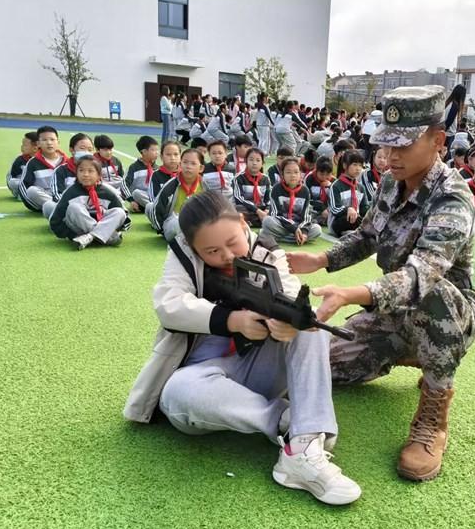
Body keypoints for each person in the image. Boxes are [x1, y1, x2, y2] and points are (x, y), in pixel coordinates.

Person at [286, 86, 475, 482]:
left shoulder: (453, 198)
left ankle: (433, 411)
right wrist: (322, 260)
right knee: (319, 367)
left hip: (446, 317)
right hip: (392, 312)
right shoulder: (393, 182)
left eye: (403, 146)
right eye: (386, 145)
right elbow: (367, 236)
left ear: (438, 140)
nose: (390, 156)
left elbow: (421, 275)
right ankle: (408, 350)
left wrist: (349, 295)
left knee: (434, 292)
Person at [124, 191, 361, 505]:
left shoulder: (268, 251)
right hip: (203, 380)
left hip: (258, 368)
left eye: (232, 242)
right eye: (211, 251)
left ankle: (301, 449)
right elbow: (169, 306)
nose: (226, 256)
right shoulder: (182, 255)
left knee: (311, 324)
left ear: (242, 222)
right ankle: (293, 422)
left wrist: (286, 324)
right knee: (177, 392)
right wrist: (232, 320)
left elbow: (290, 292)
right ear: (192, 246)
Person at [48, 155, 130, 250]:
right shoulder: (70, 192)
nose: (85, 174)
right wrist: (72, 235)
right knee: (74, 207)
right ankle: (107, 238)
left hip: (98, 224)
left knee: (119, 212)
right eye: (81, 170)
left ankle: (90, 237)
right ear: (76, 173)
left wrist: (110, 226)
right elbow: (55, 221)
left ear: (99, 175)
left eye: (90, 171)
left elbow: (124, 221)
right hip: (78, 230)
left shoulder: (107, 192)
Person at [147, 148, 206, 241]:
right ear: (180, 165)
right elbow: (157, 208)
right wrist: (161, 229)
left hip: (197, 224)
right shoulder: (171, 185)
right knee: (177, 222)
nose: (188, 166)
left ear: (201, 168)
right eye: (185, 162)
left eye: (193, 163)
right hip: (173, 223)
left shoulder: (205, 186)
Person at [261, 157, 321, 245]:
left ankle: (284, 237)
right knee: (267, 221)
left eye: (296, 172)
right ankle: (295, 238)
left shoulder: (305, 191)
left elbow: (306, 216)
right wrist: (293, 229)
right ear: (282, 174)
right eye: (288, 172)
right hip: (282, 224)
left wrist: (304, 232)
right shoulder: (276, 189)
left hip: (299, 225)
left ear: (300, 174)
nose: (293, 175)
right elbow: (276, 214)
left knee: (317, 229)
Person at [18, 125, 68, 212]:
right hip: (44, 197)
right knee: (32, 191)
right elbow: (23, 186)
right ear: (38, 144)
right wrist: (30, 204)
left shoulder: (67, 162)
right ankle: (60, 208)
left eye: (52, 139)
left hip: (62, 196)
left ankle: (59, 208)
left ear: (58, 142)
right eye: (44, 140)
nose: (49, 143)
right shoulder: (33, 163)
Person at [47, 133, 95, 219]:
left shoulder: (96, 171)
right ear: (72, 150)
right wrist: (74, 205)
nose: (87, 152)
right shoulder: (61, 170)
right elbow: (57, 195)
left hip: (92, 208)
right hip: (69, 208)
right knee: (48, 206)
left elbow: (103, 192)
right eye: (82, 148)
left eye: (90, 150)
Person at [327, 150, 371, 237]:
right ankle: (359, 232)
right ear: (345, 165)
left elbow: (364, 208)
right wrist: (348, 209)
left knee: (370, 221)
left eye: (360, 165)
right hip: (338, 222)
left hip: (356, 220)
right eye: (354, 164)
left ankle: (353, 233)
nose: (358, 168)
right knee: (359, 222)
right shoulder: (336, 186)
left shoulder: (361, 188)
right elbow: (334, 209)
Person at [232, 147, 273, 227]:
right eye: (251, 160)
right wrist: (257, 211)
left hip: (261, 208)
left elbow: (269, 198)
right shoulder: (238, 178)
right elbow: (239, 198)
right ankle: (259, 221)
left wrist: (267, 210)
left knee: (275, 210)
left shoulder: (265, 178)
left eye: (258, 160)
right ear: (246, 161)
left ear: (262, 163)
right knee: (237, 209)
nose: (254, 163)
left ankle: (251, 221)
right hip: (246, 208)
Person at [124, 136, 159, 212]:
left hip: (153, 197)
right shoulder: (133, 168)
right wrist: (131, 200)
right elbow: (124, 185)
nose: (157, 153)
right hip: (140, 197)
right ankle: (156, 209)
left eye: (157, 150)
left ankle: (150, 208)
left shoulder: (157, 169)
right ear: (144, 152)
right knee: (136, 193)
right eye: (153, 150)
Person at [6, 131, 39, 198]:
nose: (21, 146)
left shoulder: (45, 159)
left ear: (35, 148)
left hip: (40, 187)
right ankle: (22, 194)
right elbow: (11, 177)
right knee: (12, 182)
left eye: (24, 145)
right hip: (24, 185)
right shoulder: (19, 160)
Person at [93, 135, 126, 199]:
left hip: (117, 184)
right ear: (97, 150)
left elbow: (121, 175)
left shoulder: (116, 160)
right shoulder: (93, 162)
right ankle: (119, 196)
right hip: (105, 186)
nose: (109, 152)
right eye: (105, 150)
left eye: (110, 149)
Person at [304, 156, 334, 225]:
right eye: (322, 174)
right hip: (313, 208)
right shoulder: (309, 179)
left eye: (327, 174)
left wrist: (330, 186)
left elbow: (335, 201)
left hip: (327, 211)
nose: (324, 177)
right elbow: (307, 199)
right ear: (316, 170)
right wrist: (322, 208)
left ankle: (319, 221)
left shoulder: (333, 182)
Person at [443, 84, 466, 151]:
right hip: (449, 134)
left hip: (446, 133)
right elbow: (449, 121)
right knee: (447, 153)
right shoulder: (454, 106)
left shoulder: (449, 103)